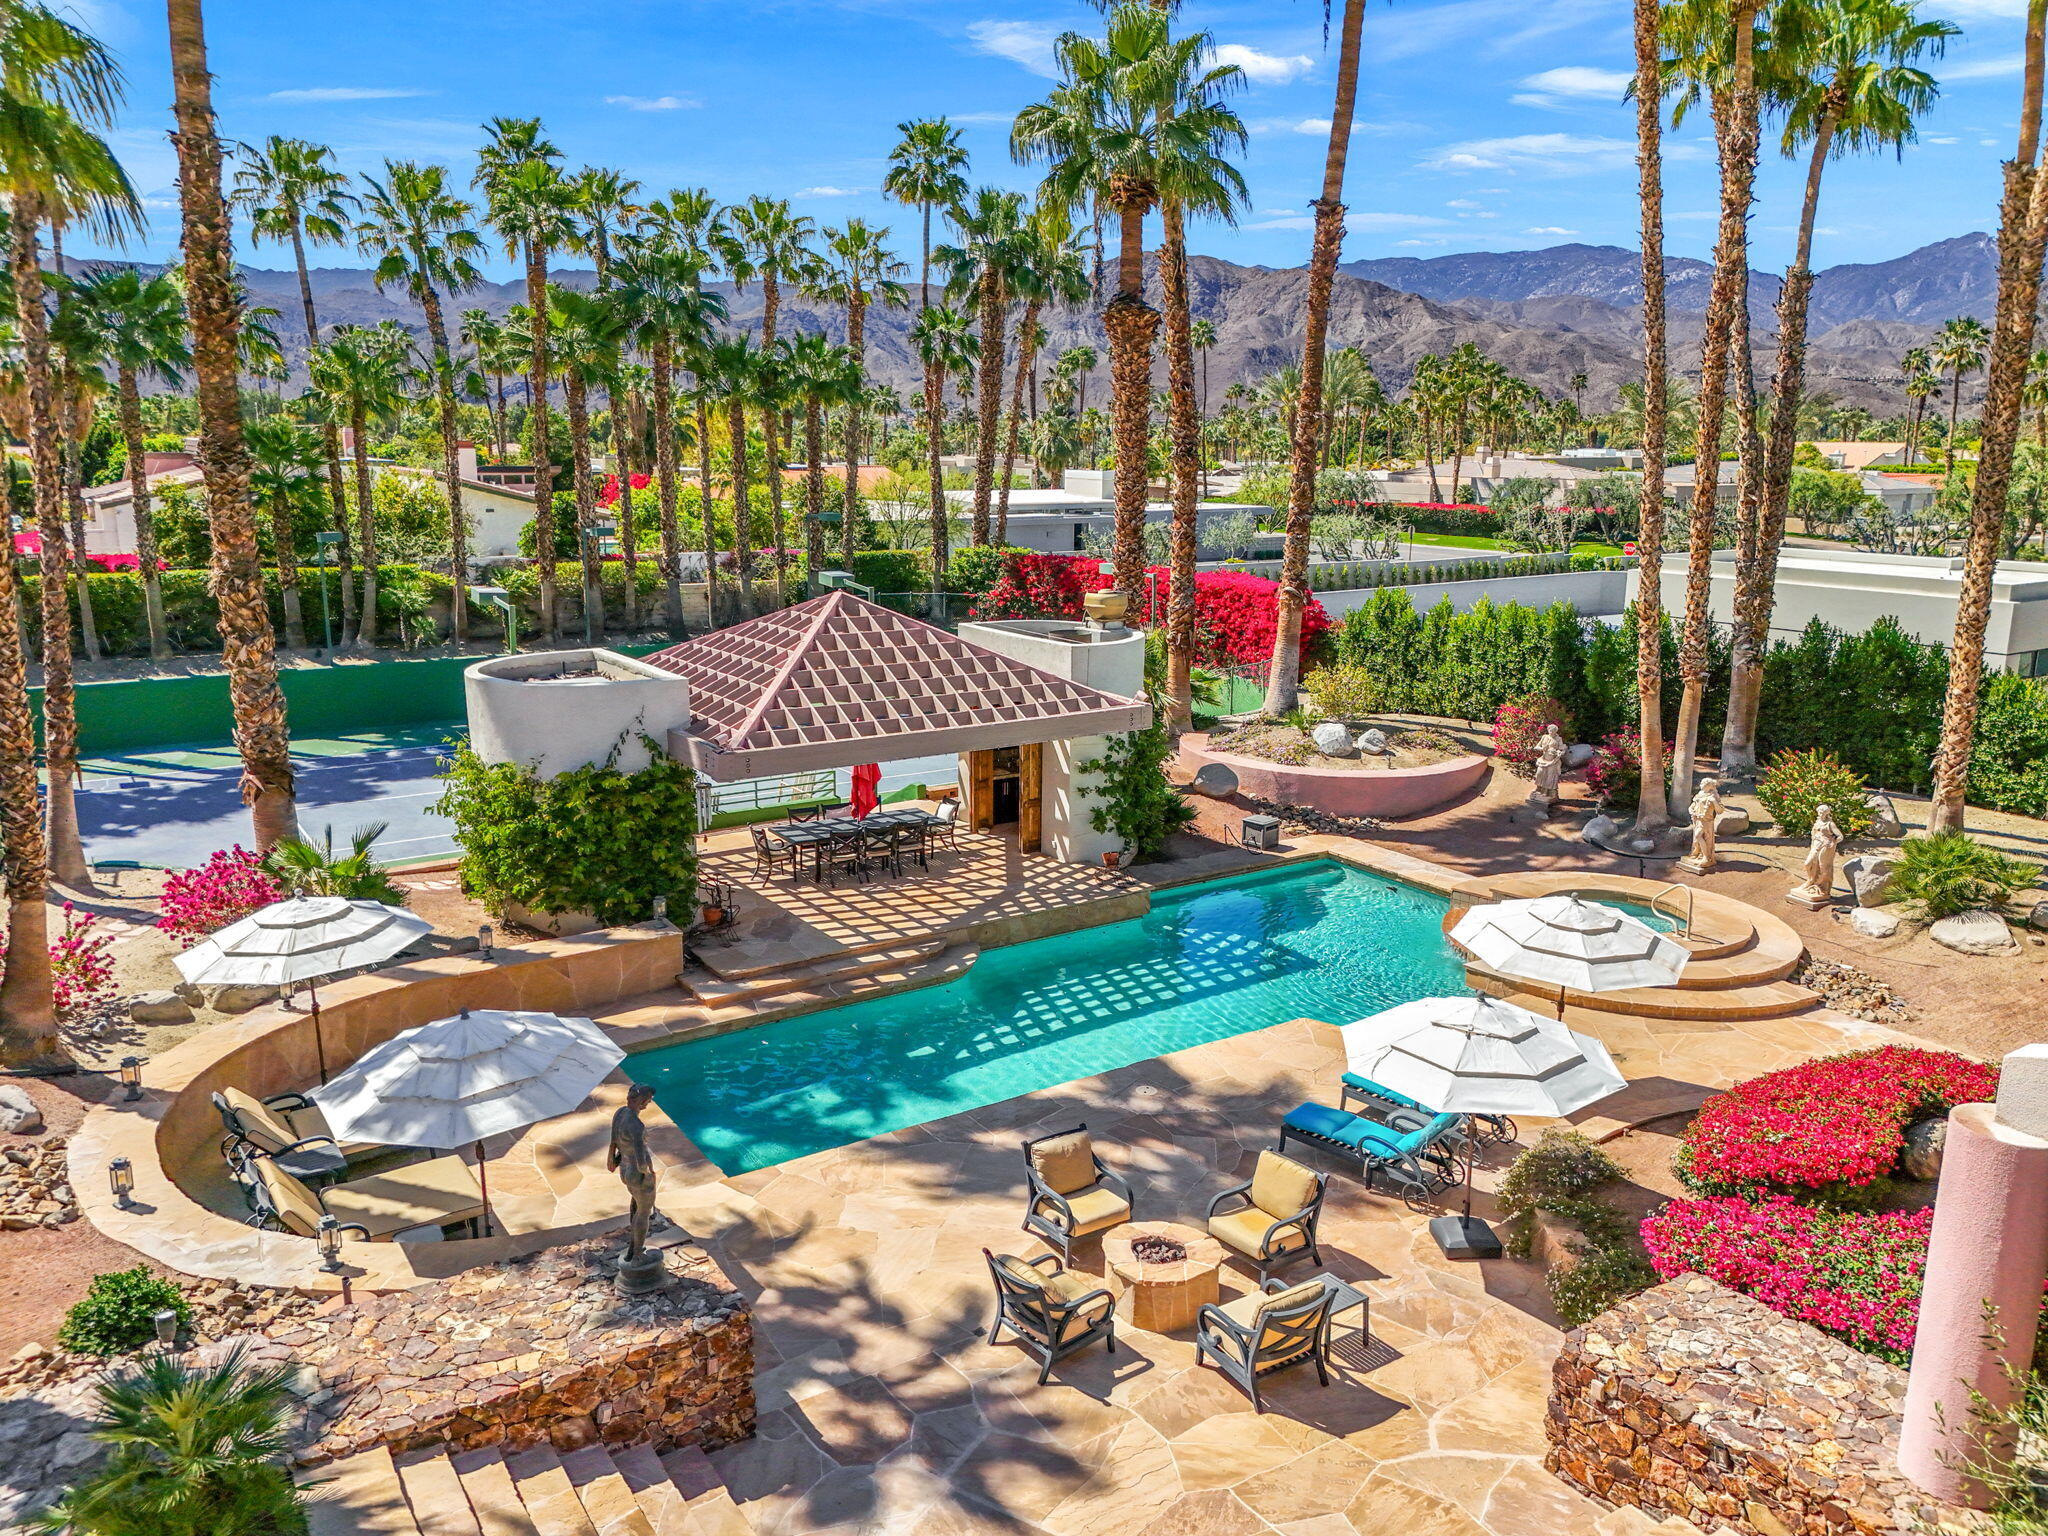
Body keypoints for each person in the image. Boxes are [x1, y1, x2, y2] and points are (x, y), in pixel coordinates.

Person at [607, 1082, 660, 1265]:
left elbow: (613, 1142)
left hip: (624, 1168)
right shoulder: (636, 1125)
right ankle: (638, 1256)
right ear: (643, 1101)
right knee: (644, 1211)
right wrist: (650, 1173)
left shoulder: (620, 1113)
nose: (648, 1104)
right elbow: (641, 1161)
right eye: (648, 1101)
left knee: (636, 1205)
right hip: (638, 1173)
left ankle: (632, 1248)